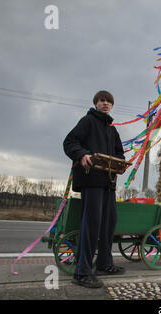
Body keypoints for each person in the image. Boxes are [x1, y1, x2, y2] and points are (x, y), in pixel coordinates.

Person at [63, 90, 126, 288]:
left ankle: (104, 264)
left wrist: (121, 164)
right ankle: (82, 272)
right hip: (92, 181)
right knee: (91, 225)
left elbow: (119, 153)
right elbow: (69, 142)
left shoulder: (112, 129)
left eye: (109, 101)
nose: (105, 103)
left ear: (112, 106)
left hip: (108, 183)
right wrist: (82, 155)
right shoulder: (87, 121)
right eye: (102, 100)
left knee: (109, 223)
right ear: (96, 103)